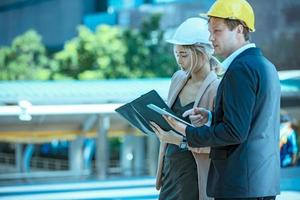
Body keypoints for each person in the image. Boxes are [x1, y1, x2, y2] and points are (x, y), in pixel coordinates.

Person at [157, 0, 281, 199]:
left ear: (239, 29)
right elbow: (252, 124)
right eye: (210, 31)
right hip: (261, 183)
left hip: (239, 185)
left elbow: (234, 132)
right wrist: (211, 117)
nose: (211, 38)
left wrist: (186, 131)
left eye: (217, 31)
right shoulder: (265, 66)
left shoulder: (239, 70)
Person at [149, 17, 220, 200]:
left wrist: (180, 140)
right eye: (176, 54)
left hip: (194, 174)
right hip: (170, 169)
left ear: (202, 53)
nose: (179, 60)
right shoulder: (177, 78)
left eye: (184, 55)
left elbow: (219, 141)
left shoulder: (217, 88)